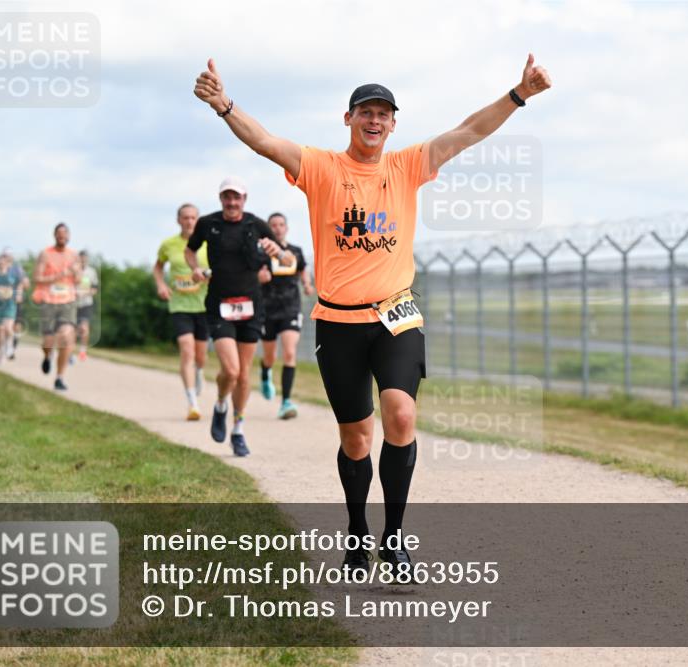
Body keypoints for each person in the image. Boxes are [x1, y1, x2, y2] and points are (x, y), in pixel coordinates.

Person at [193, 54, 552, 573]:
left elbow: (470, 130)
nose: (375, 121)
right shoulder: (319, 166)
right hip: (338, 320)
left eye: (384, 114)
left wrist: (518, 95)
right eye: (366, 112)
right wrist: (225, 105)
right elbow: (266, 142)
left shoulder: (407, 166)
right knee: (357, 437)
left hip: (396, 315)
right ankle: (358, 531)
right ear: (349, 119)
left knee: (401, 415)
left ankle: (396, 538)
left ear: (393, 123)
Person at [184, 178, 284, 456]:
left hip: (251, 306)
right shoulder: (208, 223)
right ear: (220, 199)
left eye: (236, 198)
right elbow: (189, 250)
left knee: (243, 375)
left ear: (244, 199)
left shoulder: (256, 225)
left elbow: (286, 259)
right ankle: (220, 405)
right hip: (219, 304)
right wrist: (195, 268)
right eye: (227, 197)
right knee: (231, 370)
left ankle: (237, 430)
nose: (231, 202)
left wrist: (279, 253)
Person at [154, 203, 210, 421]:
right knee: (186, 351)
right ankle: (192, 403)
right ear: (179, 220)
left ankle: (199, 372)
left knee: (200, 357)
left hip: (204, 306)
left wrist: (207, 275)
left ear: (198, 220)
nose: (189, 221)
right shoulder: (168, 245)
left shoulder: (206, 244)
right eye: (185, 218)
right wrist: (160, 285)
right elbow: (158, 267)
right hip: (180, 306)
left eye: (193, 218)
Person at [257, 212, 312, 419]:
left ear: (286, 228)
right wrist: (259, 278)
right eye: (273, 225)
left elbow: (303, 269)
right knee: (270, 356)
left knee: (289, 352)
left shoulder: (295, 251)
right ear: (269, 229)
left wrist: (307, 284)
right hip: (267, 308)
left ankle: (286, 402)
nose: (278, 228)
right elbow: (251, 275)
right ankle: (265, 373)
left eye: (281, 224)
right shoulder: (261, 253)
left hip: (290, 307)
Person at [32, 223, 81, 391]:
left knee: (67, 338)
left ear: (69, 237)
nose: (62, 237)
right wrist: (58, 275)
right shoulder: (45, 254)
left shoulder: (74, 255)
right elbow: (37, 278)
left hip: (68, 302)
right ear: (54, 236)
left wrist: (76, 273)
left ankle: (59, 377)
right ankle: (47, 356)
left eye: (65, 234)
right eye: (59, 234)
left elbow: (80, 280)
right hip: (48, 301)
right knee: (48, 341)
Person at [73, 249, 99, 363]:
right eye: (81, 258)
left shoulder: (91, 272)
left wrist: (85, 293)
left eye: (85, 258)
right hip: (73, 303)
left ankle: (83, 351)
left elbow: (94, 289)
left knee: (84, 327)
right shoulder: (73, 269)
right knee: (72, 329)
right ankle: (70, 351)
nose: (83, 260)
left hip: (86, 303)